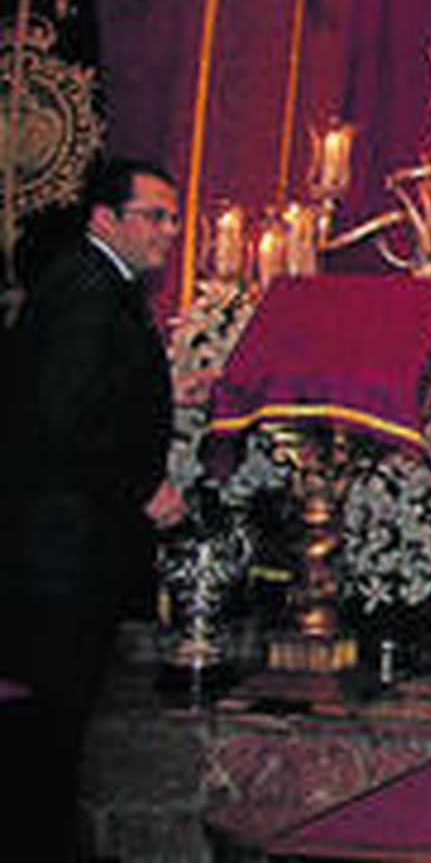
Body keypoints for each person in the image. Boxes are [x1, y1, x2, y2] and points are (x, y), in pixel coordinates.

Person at [0, 155, 186, 859]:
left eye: (173, 217)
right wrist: (142, 486)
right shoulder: (88, 291)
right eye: (155, 216)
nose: (169, 231)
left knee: (54, 736)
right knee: (47, 737)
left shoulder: (98, 284)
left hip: (69, 552)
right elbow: (61, 419)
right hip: (61, 558)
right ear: (104, 218)